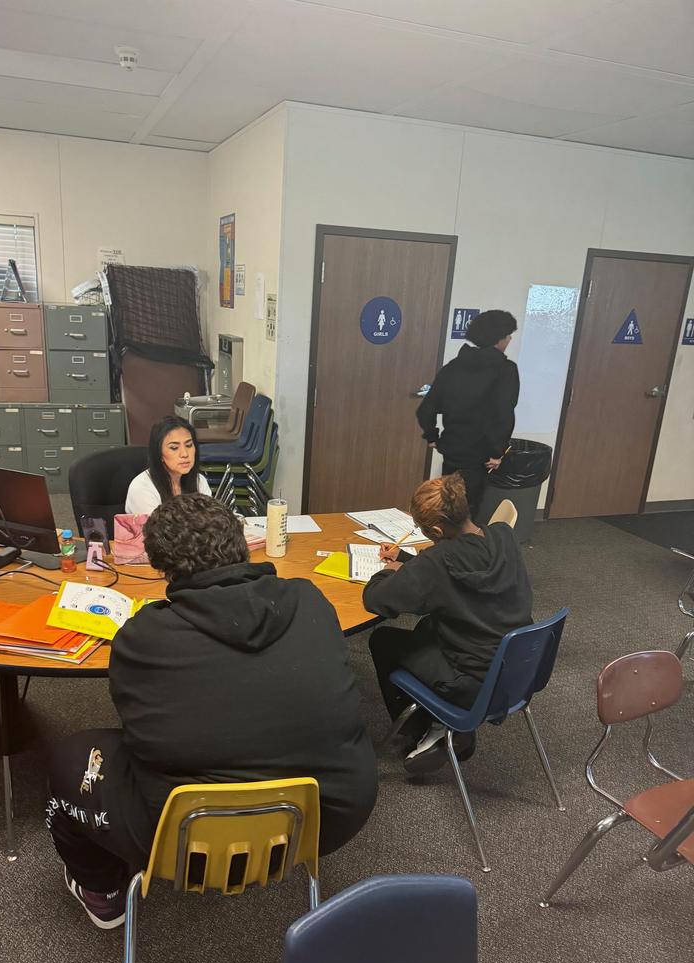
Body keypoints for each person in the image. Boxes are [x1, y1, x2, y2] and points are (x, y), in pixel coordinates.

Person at [46, 494, 378, 929]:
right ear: (241, 544)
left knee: (70, 758)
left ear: (162, 567)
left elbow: (137, 732)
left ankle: (103, 892)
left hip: (183, 841)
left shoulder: (143, 635)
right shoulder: (309, 600)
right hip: (326, 819)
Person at [363, 473, 533, 775]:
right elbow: (453, 569)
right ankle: (439, 725)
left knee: (383, 639)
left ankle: (429, 728)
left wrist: (389, 571)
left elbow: (376, 599)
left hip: (472, 682)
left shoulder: (438, 562)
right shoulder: (503, 535)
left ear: (438, 530)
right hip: (519, 669)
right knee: (428, 627)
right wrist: (407, 560)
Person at [416, 309, 519, 517]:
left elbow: (426, 408)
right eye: (508, 335)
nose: (509, 340)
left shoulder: (454, 366)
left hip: (452, 448)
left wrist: (432, 436)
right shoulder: (505, 370)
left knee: (448, 504)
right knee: (469, 509)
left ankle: (443, 537)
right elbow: (503, 413)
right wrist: (497, 452)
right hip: (480, 454)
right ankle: (465, 538)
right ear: (499, 338)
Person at [125, 415, 211, 515]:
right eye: (174, 448)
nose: (184, 454)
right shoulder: (142, 488)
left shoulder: (199, 481)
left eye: (189, 445)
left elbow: (211, 520)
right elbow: (154, 525)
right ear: (159, 453)